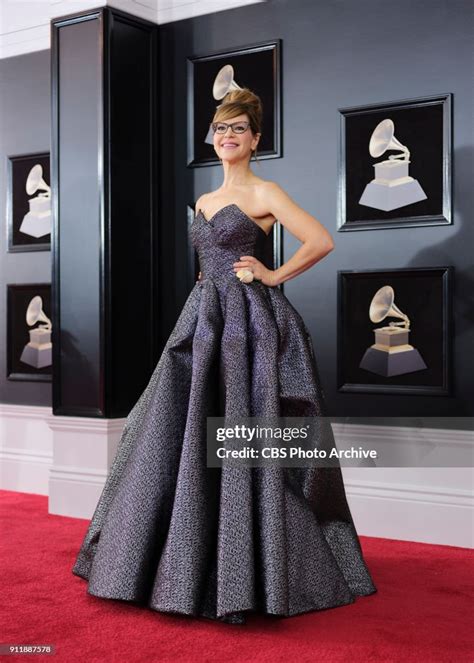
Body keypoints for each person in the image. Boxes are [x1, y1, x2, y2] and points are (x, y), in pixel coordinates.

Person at [72, 87, 377, 625]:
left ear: (255, 139)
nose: (228, 136)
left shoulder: (266, 191)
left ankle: (253, 570)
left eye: (238, 129)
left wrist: (271, 275)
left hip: (251, 325)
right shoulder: (205, 201)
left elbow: (320, 240)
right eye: (220, 129)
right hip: (203, 320)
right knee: (175, 430)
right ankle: (177, 563)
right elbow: (210, 259)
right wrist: (207, 285)